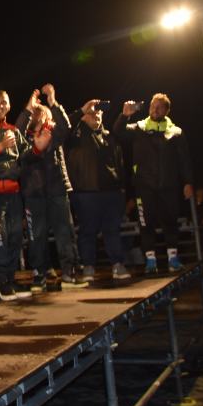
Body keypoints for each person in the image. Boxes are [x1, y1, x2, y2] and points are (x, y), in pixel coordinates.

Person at [0, 90, 50, 301]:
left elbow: (25, 156)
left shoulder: (14, 131)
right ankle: (3, 282)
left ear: (8, 107)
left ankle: (9, 278)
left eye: (4, 102)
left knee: (15, 237)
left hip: (13, 193)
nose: (0, 105)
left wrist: (37, 148)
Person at [16, 85, 87, 290]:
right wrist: (28, 109)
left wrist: (53, 101)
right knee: (36, 235)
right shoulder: (24, 136)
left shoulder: (54, 134)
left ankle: (69, 273)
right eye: (36, 113)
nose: (40, 114)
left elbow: (65, 125)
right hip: (33, 193)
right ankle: (39, 274)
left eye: (42, 112)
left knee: (65, 232)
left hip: (57, 189)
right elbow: (17, 136)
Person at [114, 93, 193, 273]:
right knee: (145, 223)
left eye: (159, 106)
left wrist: (188, 182)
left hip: (169, 186)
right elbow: (118, 132)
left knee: (170, 221)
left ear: (166, 110)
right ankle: (150, 260)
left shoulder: (176, 132)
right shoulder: (139, 128)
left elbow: (184, 160)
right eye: (152, 106)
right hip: (144, 187)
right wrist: (124, 115)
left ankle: (173, 257)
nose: (155, 109)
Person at [66, 99, 130, 280]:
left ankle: (118, 265)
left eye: (98, 113)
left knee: (112, 229)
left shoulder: (110, 135)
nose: (96, 116)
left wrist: (122, 188)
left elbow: (120, 163)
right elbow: (63, 127)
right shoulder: (75, 136)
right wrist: (81, 110)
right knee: (88, 230)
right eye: (91, 113)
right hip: (86, 192)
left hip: (112, 192)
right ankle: (88, 267)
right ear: (83, 117)